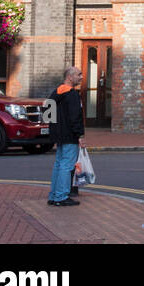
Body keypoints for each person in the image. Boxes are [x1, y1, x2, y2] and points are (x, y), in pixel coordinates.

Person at [46, 65, 85, 207]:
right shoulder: (73, 94)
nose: (81, 77)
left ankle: (54, 195)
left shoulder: (56, 92)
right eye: (79, 74)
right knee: (66, 166)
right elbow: (76, 117)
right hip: (70, 135)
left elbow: (47, 111)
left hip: (59, 135)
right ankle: (61, 197)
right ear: (70, 76)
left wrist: (55, 130)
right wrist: (80, 135)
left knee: (59, 164)